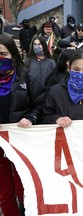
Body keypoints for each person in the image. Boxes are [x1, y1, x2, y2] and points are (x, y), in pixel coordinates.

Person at [0, 34, 45, 216]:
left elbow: (40, 104)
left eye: (3, 54)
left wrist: (31, 118)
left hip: (21, 143)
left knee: (24, 188)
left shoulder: (27, 78)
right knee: (4, 193)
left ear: (13, 55)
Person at [42, 51, 83, 126]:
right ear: (69, 68)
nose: (80, 73)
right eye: (76, 69)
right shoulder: (55, 92)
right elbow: (44, 116)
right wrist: (56, 119)